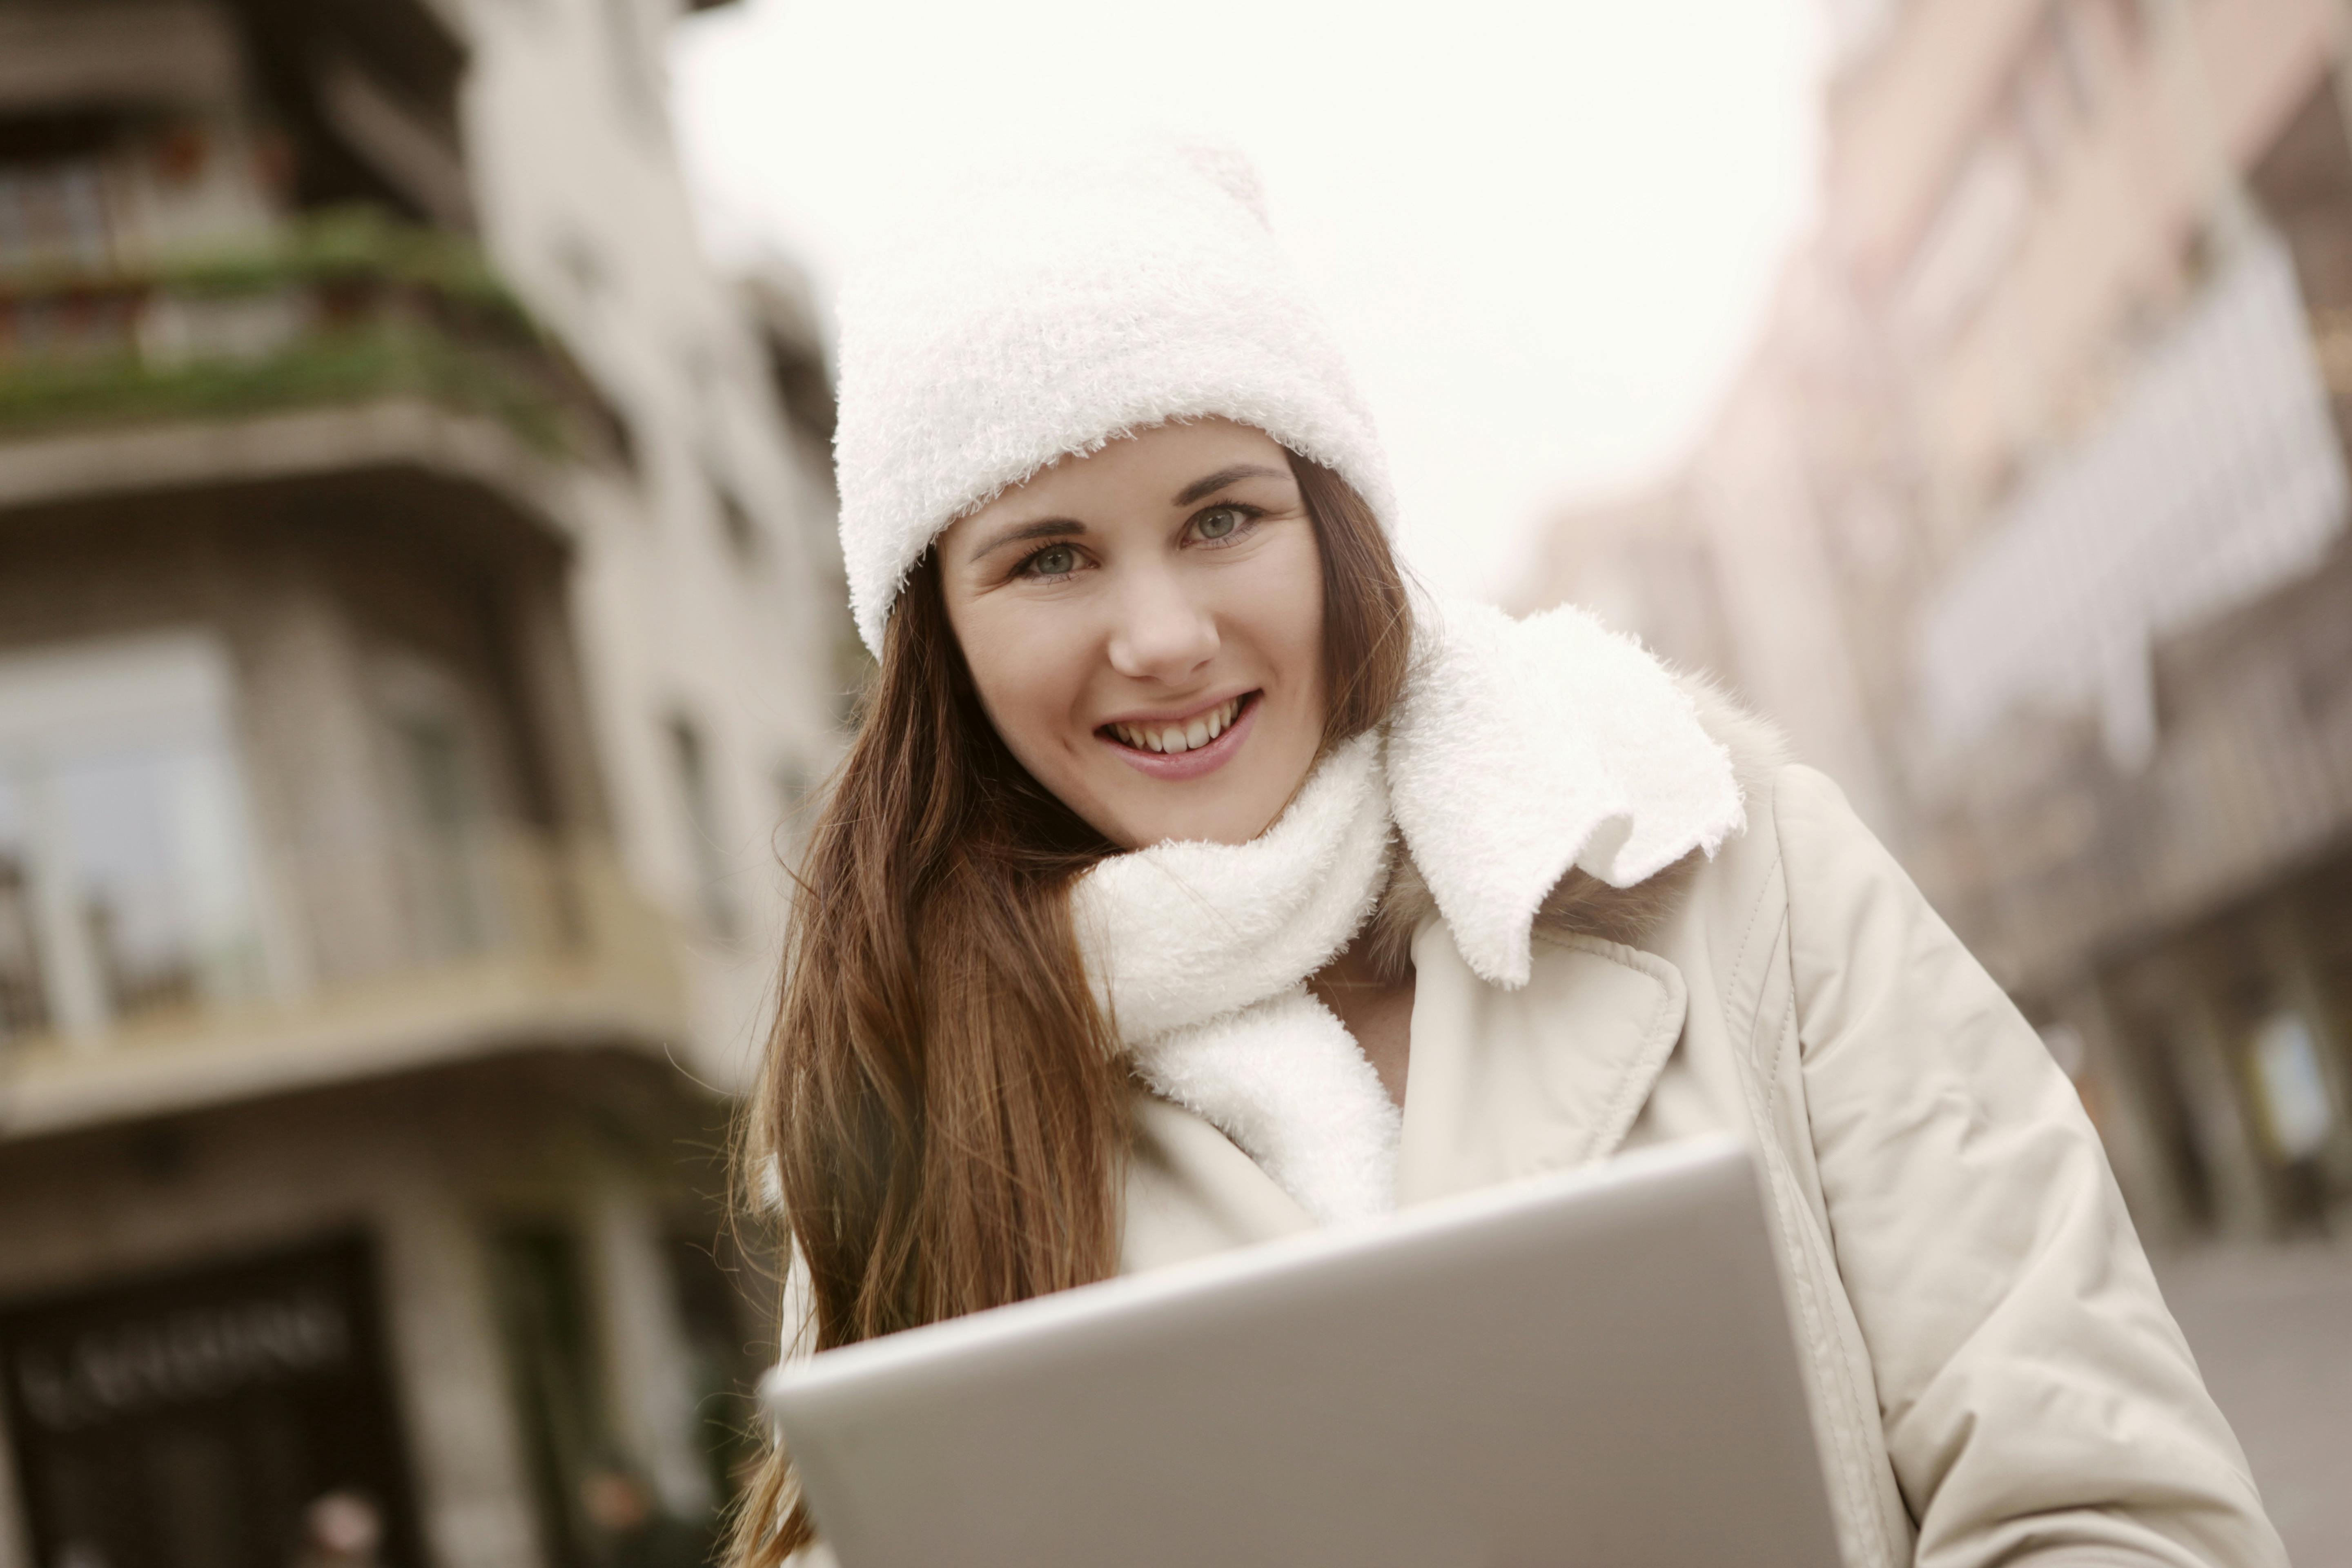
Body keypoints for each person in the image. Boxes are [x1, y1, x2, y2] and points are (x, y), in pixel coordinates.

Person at [729, 141, 2284, 1568]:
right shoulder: (913, 1094)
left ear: (1331, 522)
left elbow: (2106, 1492)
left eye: (1222, 519)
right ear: (942, 637)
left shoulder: (1711, 842)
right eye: (1049, 558)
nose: (1165, 637)